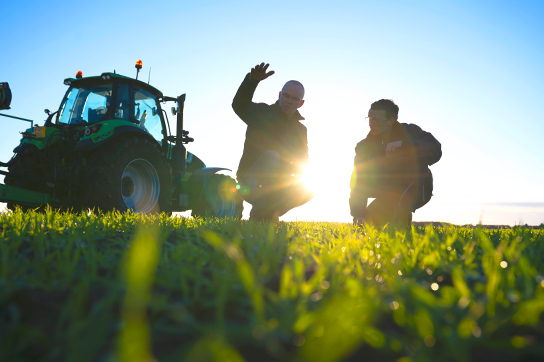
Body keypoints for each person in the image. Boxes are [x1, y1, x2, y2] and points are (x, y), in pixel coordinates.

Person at [232, 62, 314, 221]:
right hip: (249, 183)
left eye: (295, 99)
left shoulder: (300, 130)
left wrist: (298, 184)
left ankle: (270, 213)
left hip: (277, 186)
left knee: (309, 186)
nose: (289, 101)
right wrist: (251, 82)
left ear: (301, 103)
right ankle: (259, 214)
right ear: (279, 95)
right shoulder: (261, 113)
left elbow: (303, 161)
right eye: (286, 96)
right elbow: (239, 105)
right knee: (271, 155)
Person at [350, 99, 442, 227]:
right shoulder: (364, 147)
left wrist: (404, 145)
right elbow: (359, 181)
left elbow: (435, 149)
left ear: (391, 121)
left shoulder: (411, 132)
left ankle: (401, 217)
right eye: (370, 118)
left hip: (416, 189)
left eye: (377, 120)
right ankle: (394, 218)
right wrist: (358, 214)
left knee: (397, 225)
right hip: (387, 193)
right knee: (366, 224)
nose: (371, 123)